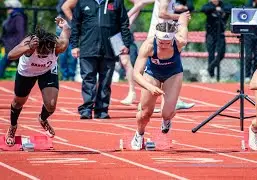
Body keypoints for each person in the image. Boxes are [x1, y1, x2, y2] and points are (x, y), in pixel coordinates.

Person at [5, 17, 70, 146]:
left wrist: (65, 26)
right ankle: (12, 127)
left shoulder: (59, 46)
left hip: (47, 71)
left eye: (46, 53)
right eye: (40, 53)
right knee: (18, 102)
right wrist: (28, 47)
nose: (42, 56)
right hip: (27, 72)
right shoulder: (30, 43)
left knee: (51, 105)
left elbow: (66, 34)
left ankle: (43, 119)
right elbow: (10, 55)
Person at [130, 12, 190, 150]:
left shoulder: (180, 42)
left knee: (167, 113)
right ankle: (139, 134)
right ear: (156, 37)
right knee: (145, 113)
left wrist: (183, 17)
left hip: (173, 74)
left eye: (167, 43)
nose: (163, 45)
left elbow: (183, 24)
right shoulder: (149, 45)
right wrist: (149, 87)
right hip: (152, 74)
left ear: (172, 39)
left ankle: (166, 119)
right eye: (161, 42)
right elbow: (136, 74)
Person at [70, 0, 132, 119]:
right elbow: (75, 24)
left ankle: (102, 110)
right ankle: (87, 109)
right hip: (88, 47)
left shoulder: (117, 2)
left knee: (106, 81)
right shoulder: (83, 2)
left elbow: (124, 23)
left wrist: (126, 44)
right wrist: (74, 45)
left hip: (110, 48)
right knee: (88, 79)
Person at [201, 0, 231, 81]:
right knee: (211, 54)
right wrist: (215, 8)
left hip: (220, 33)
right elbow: (203, 9)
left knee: (221, 53)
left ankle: (209, 69)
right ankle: (211, 75)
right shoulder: (209, 5)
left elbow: (230, 8)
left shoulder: (223, 5)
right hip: (210, 34)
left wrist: (220, 9)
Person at [0, 0, 27, 78]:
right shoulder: (11, 16)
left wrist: (20, 45)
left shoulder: (18, 16)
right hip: (10, 44)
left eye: (9, 7)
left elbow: (20, 31)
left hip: (14, 45)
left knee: (3, 63)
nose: (7, 9)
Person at [56, 0, 77, 81]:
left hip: (70, 27)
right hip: (63, 27)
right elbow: (62, 8)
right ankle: (65, 75)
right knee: (63, 52)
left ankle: (70, 75)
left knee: (72, 51)